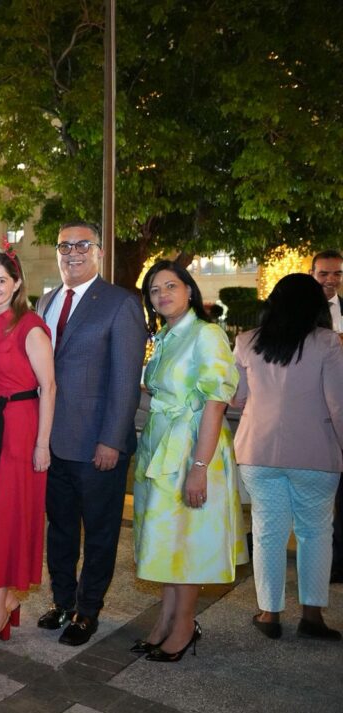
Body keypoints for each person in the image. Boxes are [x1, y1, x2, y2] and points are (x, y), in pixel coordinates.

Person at [35, 221, 147, 646]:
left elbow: (124, 380)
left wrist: (112, 440)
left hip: (97, 444)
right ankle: (62, 600)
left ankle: (87, 610)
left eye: (84, 244)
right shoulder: (46, 300)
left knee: (99, 533)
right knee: (59, 529)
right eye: (65, 245)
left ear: (99, 252)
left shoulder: (119, 303)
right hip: (52, 444)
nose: (73, 252)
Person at [132, 260, 247, 662]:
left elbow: (215, 403)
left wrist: (199, 469)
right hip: (160, 444)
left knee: (189, 539)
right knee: (167, 538)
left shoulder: (207, 333)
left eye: (171, 286)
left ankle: (184, 625)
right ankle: (165, 620)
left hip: (194, 447)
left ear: (189, 290)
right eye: (154, 290)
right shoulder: (165, 335)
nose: (162, 295)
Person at [233, 273, 343, 641]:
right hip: (316, 452)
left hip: (258, 452)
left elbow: (237, 399)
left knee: (267, 533)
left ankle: (270, 614)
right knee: (315, 533)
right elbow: (338, 404)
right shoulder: (328, 343)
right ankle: (312, 616)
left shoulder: (247, 341)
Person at [0, 252, 56, 645]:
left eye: (1, 280)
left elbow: (49, 388)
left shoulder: (30, 326)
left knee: (3, 519)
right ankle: (3, 601)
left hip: (18, 430)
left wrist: (42, 444)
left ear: (17, 284)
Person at [309, 250, 343, 583]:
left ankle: (337, 561)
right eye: (324, 274)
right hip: (309, 415)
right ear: (312, 273)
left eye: (337, 274)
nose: (331, 280)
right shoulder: (299, 313)